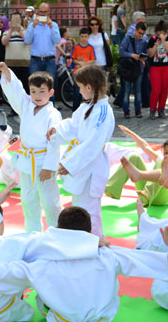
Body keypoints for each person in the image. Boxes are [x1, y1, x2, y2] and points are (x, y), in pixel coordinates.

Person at [0, 206, 168, 322]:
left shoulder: (42, 265)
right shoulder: (109, 255)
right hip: (100, 319)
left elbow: (2, 272)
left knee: (36, 297)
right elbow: (142, 260)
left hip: (62, 319)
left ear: (58, 232)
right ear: (89, 234)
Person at [47, 66, 114, 237]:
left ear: (89, 87)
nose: (79, 90)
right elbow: (74, 124)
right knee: (79, 208)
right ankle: (82, 243)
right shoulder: (88, 106)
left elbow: (92, 144)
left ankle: (98, 245)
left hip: (92, 166)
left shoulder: (103, 112)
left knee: (91, 212)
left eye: (80, 87)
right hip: (83, 165)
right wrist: (57, 131)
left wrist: (69, 164)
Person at [0, 61, 61, 231]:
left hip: (43, 162)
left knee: (50, 201)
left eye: (42, 91)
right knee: (28, 200)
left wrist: (49, 166)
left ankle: (57, 232)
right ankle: (32, 233)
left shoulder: (53, 114)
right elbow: (16, 90)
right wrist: (6, 71)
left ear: (51, 92)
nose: (37, 95)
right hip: (27, 161)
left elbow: (55, 143)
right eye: (33, 91)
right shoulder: (27, 105)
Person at [24, 2, 60, 99]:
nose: (43, 14)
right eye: (41, 12)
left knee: (50, 87)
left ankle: (50, 111)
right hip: (35, 60)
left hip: (50, 60)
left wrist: (51, 26)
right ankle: (35, 110)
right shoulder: (32, 25)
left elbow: (57, 41)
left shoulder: (54, 25)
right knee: (34, 86)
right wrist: (33, 26)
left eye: (45, 12)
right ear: (38, 12)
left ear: (49, 12)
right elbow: (27, 41)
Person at [147, 20, 168, 119]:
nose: (160, 35)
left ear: (166, 32)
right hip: (155, 67)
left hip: (167, 67)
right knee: (156, 90)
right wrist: (156, 45)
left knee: (164, 89)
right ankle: (152, 109)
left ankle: (161, 109)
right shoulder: (152, 40)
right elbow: (150, 54)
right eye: (158, 33)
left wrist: (164, 42)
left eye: (162, 33)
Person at [119, 21, 148, 119]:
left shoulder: (144, 41)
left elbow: (145, 52)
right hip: (128, 68)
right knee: (127, 90)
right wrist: (131, 55)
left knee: (138, 90)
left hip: (138, 68)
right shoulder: (128, 38)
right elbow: (121, 51)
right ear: (135, 30)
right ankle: (126, 111)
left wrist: (142, 59)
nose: (140, 35)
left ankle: (138, 110)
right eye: (139, 33)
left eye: (142, 34)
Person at [1, 12, 29, 94]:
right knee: (12, 86)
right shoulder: (6, 32)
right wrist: (11, 30)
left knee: (25, 85)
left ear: (21, 20)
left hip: (24, 63)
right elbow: (4, 42)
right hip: (11, 63)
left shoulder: (26, 31)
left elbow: (27, 41)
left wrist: (20, 31)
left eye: (17, 19)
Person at [70, 28, 96, 110]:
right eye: (82, 36)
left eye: (85, 36)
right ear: (79, 37)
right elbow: (73, 58)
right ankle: (75, 111)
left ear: (88, 37)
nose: (84, 38)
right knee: (77, 93)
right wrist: (79, 63)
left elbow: (93, 59)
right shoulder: (76, 47)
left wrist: (86, 64)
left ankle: (88, 110)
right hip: (77, 73)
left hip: (87, 74)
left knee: (87, 92)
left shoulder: (91, 48)